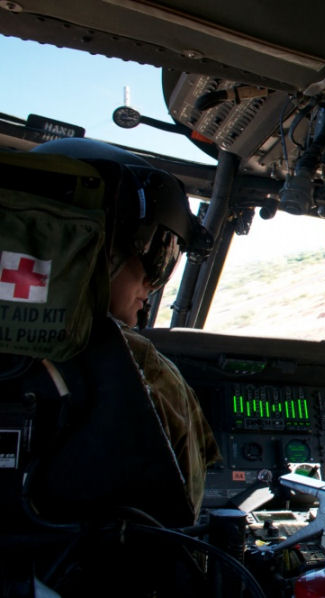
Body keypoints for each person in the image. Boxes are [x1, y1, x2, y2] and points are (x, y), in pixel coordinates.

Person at [32, 138, 221, 520]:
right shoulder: (136, 362)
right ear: (101, 248)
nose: (153, 286)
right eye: (157, 257)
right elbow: (182, 517)